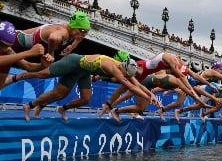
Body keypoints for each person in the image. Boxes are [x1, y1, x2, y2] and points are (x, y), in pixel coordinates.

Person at [10, 53, 160, 121]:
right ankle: (19, 79)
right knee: (42, 75)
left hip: (83, 72)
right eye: (126, 75)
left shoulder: (124, 68)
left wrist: (151, 95)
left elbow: (137, 84)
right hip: (73, 62)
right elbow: (131, 87)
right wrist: (148, 97)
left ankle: (61, 108)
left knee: (85, 99)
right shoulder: (114, 68)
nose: (127, 77)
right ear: (124, 69)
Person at [12, 11, 90, 58]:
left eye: (87, 31)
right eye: (83, 30)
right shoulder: (63, 31)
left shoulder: (75, 32)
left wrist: (72, 46)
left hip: (18, 45)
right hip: (12, 40)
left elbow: (79, 38)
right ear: (74, 26)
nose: (84, 34)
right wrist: (50, 54)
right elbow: (53, 38)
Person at [0, 21, 53, 89]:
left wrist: (42, 65)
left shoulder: (6, 50)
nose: (4, 49)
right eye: (2, 45)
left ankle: (12, 79)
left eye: (7, 46)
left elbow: (28, 66)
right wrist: (29, 53)